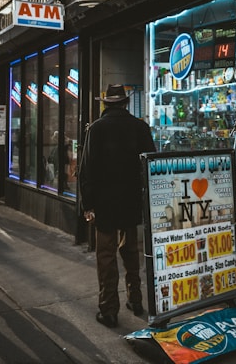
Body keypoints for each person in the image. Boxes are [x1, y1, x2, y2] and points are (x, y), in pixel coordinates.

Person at [79, 84, 156, 328]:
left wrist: (88, 204)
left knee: (106, 256)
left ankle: (109, 309)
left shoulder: (96, 128)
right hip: (131, 202)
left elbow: (86, 169)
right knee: (131, 252)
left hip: (104, 205)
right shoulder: (140, 127)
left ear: (105, 104)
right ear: (125, 103)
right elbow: (149, 166)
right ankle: (136, 299)